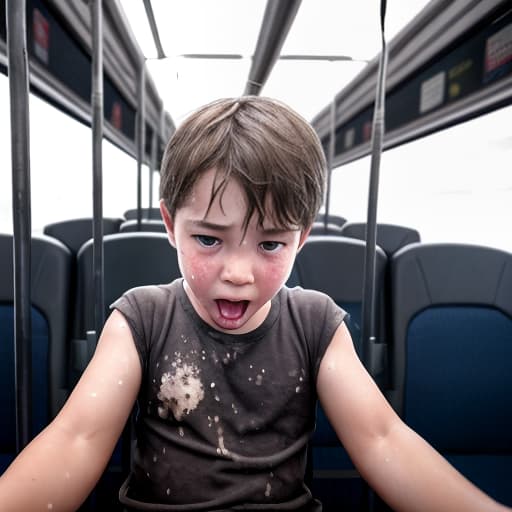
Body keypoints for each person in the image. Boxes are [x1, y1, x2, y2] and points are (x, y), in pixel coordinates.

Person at [0, 96, 509, 512]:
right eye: (208, 240)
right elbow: (77, 439)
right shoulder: (141, 319)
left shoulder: (316, 324)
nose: (237, 274)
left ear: (301, 239)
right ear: (169, 225)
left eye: (269, 245)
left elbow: (382, 440)